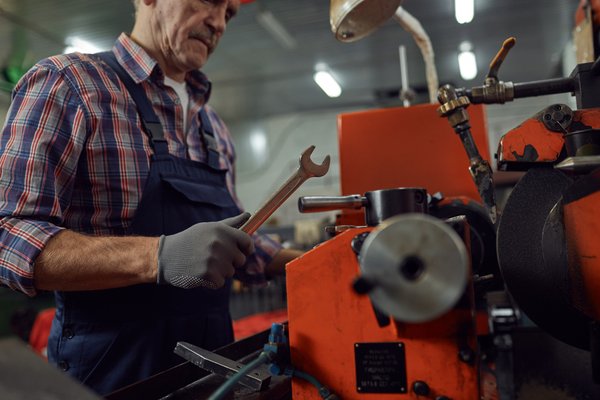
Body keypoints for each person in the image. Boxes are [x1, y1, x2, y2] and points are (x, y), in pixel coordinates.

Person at [0, 0, 301, 395]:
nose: (218, 23)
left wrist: (311, 262)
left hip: (215, 376)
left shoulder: (214, 128)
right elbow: (8, 235)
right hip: (108, 377)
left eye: (229, 13)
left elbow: (236, 240)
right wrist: (157, 257)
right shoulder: (69, 84)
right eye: (210, 1)